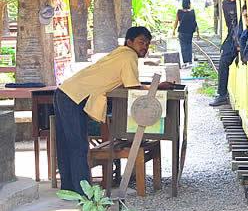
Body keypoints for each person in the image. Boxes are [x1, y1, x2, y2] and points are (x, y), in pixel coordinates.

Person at [56, 27, 174, 194]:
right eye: (141, 42)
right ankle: (84, 194)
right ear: (129, 42)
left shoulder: (121, 53)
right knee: (78, 147)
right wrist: (157, 87)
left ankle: (69, 189)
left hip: (66, 91)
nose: (144, 47)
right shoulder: (129, 56)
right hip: (74, 97)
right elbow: (132, 87)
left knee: (66, 145)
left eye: (147, 44)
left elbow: (124, 83)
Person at [210, 0, 239, 107]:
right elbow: (229, 24)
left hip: (247, 35)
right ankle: (222, 94)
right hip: (233, 37)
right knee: (223, 61)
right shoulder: (225, 4)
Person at [172, 0, 199, 67]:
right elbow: (195, 23)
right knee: (189, 46)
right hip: (190, 32)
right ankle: (189, 61)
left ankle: (185, 61)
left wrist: (174, 30)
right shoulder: (192, 12)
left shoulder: (179, 12)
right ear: (189, 4)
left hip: (182, 32)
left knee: (183, 46)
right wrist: (198, 32)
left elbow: (176, 21)